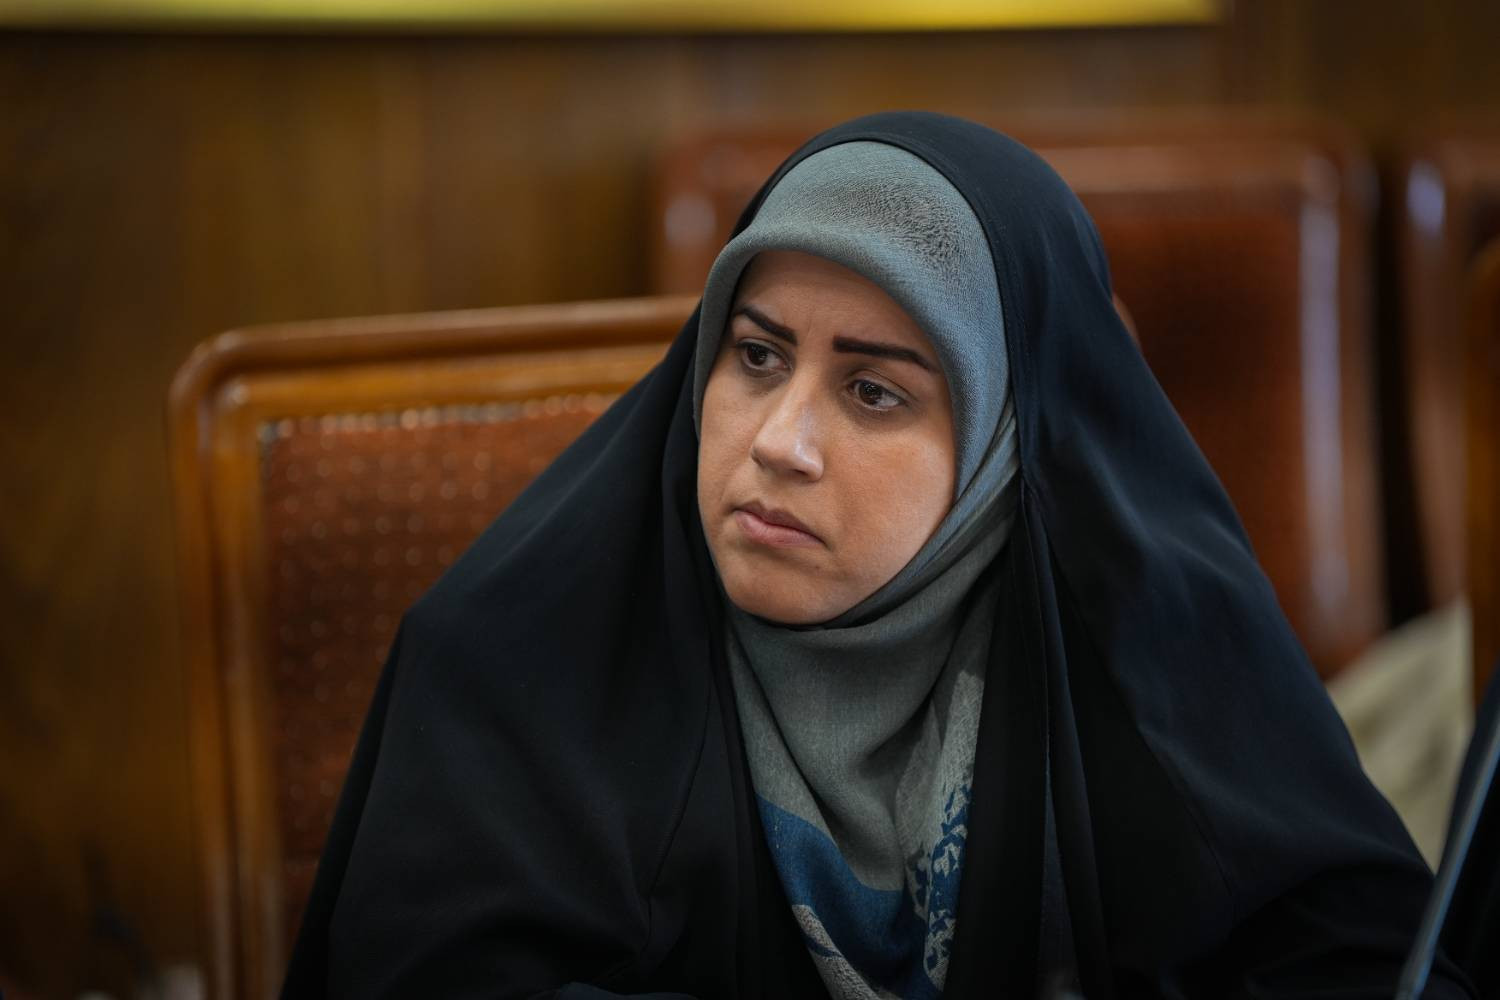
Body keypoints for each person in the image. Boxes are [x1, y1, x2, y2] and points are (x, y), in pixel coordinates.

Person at [282, 112, 1472, 998]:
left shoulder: (1148, 664)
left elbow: (1358, 959)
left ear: (1005, 448)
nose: (779, 441)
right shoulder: (512, 666)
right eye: (755, 356)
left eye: (873, 391)